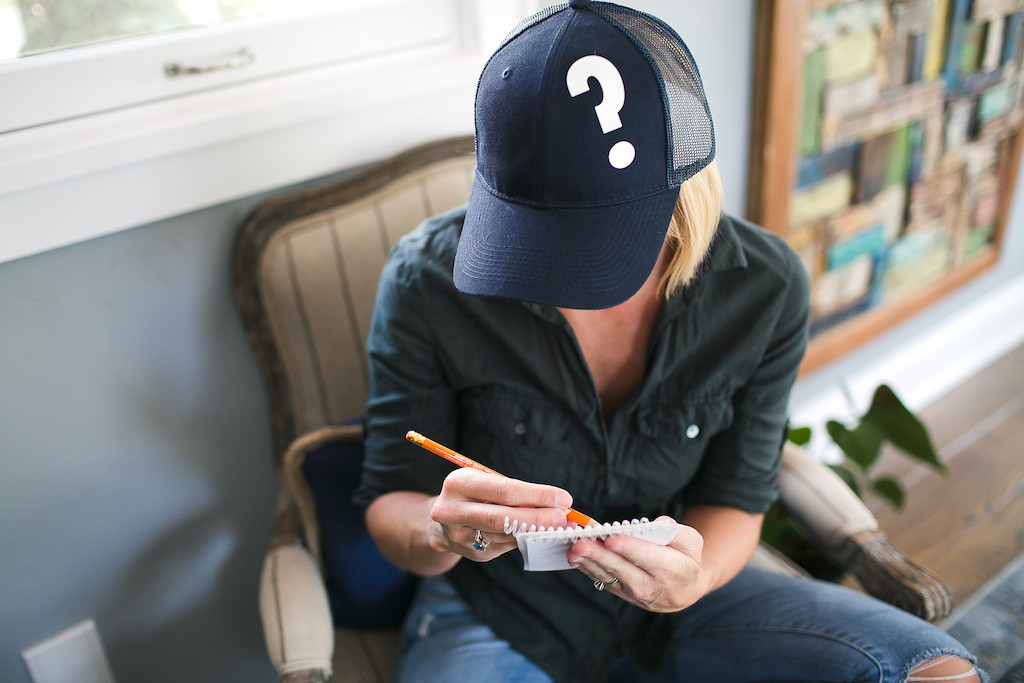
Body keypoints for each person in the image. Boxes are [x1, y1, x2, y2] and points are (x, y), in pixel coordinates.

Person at [353, 2, 984, 681]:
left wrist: (695, 574)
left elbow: (737, 496)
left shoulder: (762, 290)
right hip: (497, 610)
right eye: (530, 229)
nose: (552, 272)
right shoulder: (427, 281)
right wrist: (441, 529)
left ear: (681, 188)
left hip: (685, 600)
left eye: (592, 238)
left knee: (938, 672)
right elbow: (393, 498)